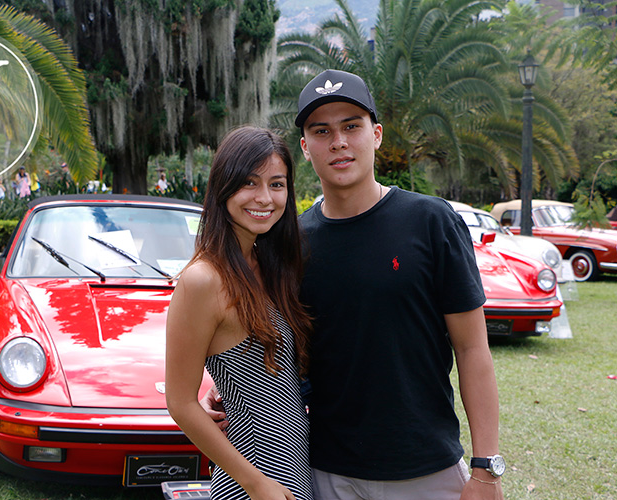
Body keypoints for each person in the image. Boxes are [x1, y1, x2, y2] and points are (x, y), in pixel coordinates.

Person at [203, 70, 504, 500]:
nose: (339, 142)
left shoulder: (432, 222)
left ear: (376, 134)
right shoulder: (290, 244)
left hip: (427, 470)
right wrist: (224, 389)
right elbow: (279, 344)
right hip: (326, 473)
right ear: (305, 148)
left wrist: (486, 468)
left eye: (351, 126)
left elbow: (473, 350)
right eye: (321, 131)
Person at [165, 126, 314, 500]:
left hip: (296, 469)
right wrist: (255, 483)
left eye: (277, 184)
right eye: (250, 182)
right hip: (250, 482)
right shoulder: (202, 280)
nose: (265, 198)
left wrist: (230, 383)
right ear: (223, 187)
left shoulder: (270, 265)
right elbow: (180, 403)